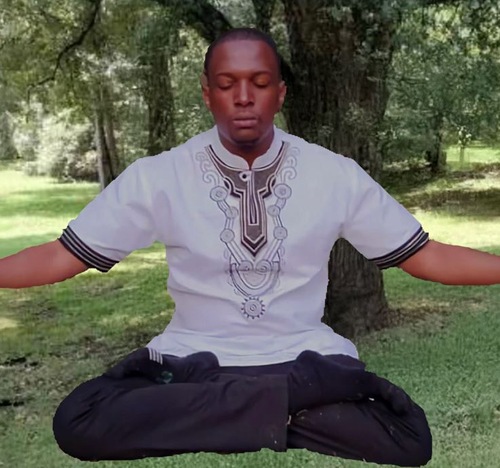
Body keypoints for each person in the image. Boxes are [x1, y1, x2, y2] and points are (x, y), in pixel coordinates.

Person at [1, 28, 499, 467]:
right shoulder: (158, 178)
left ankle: (232, 414)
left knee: (408, 437)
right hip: (193, 362)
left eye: (259, 83)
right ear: (207, 94)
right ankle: (282, 411)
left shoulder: (335, 175)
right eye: (227, 84)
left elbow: (426, 256)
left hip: (303, 358)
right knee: (78, 420)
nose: (243, 97)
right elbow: (62, 255)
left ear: (280, 94)